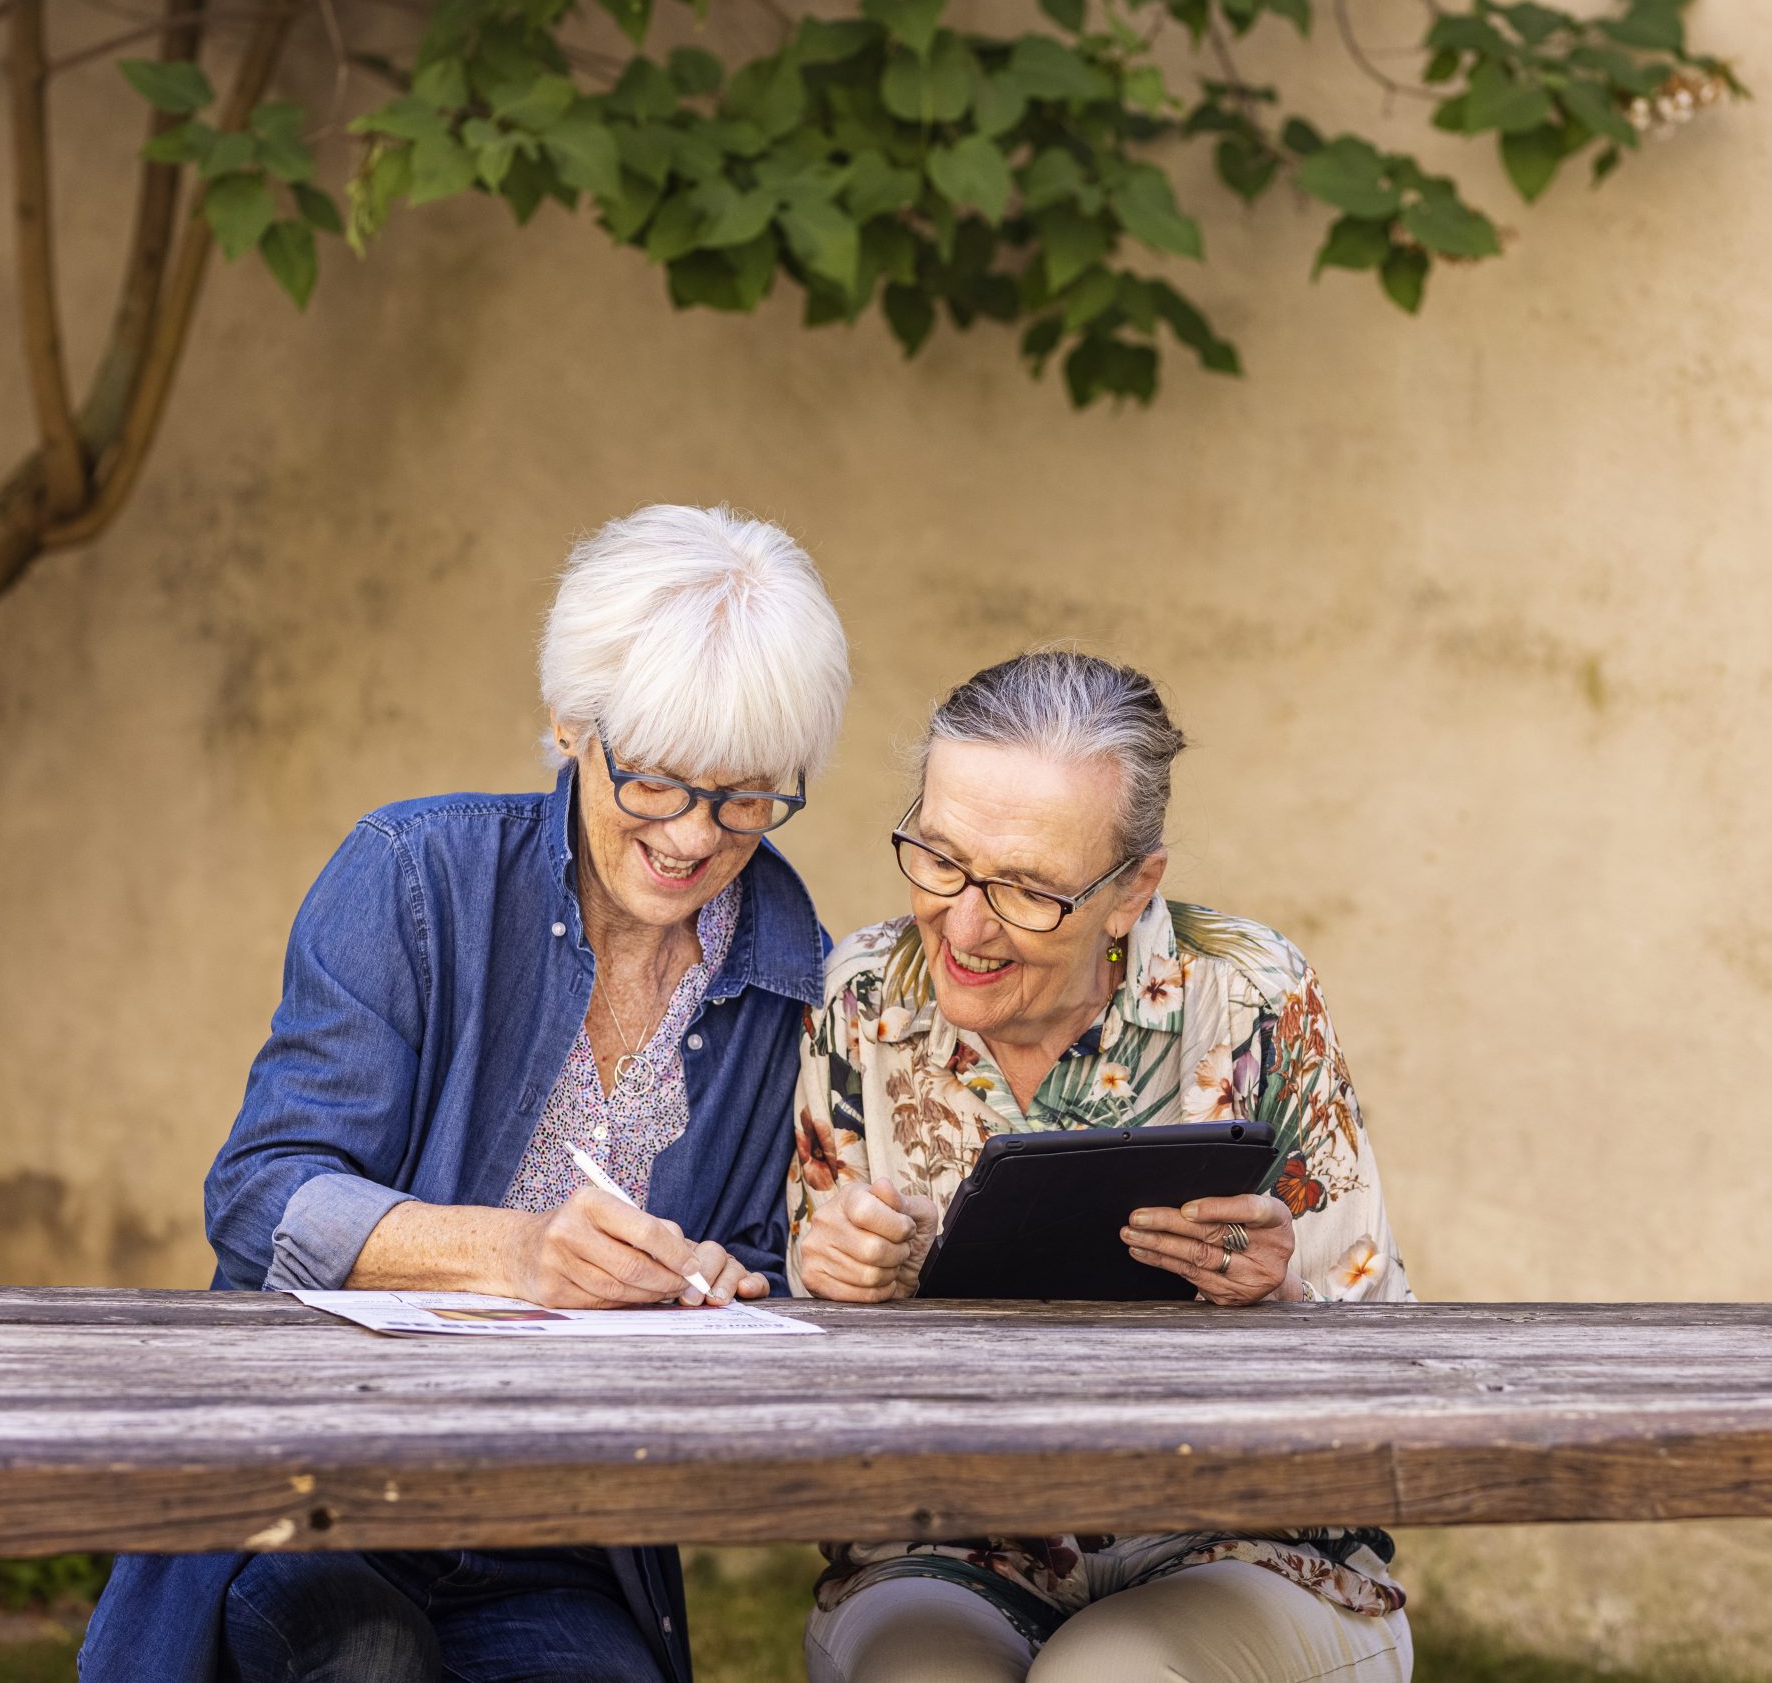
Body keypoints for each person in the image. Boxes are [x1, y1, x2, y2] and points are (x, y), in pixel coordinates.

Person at [78, 504, 849, 1683]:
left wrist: (730, 1276)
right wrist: (521, 1254)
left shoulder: (789, 971)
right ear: (568, 728)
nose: (694, 837)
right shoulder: (412, 880)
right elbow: (261, 1193)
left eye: (745, 798)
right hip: (318, 1488)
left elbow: (759, 1256)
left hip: (558, 1533)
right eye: (653, 783)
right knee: (369, 1656)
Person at [788, 649, 1416, 1683]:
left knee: (1106, 1674)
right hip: (947, 1545)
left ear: (1132, 891)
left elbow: (1386, 1362)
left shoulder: (1252, 998)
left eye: (1031, 888)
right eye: (938, 857)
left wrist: (1283, 1297)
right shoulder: (862, 996)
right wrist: (834, 1282)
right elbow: (801, 1363)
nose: (964, 921)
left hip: (1246, 1547)